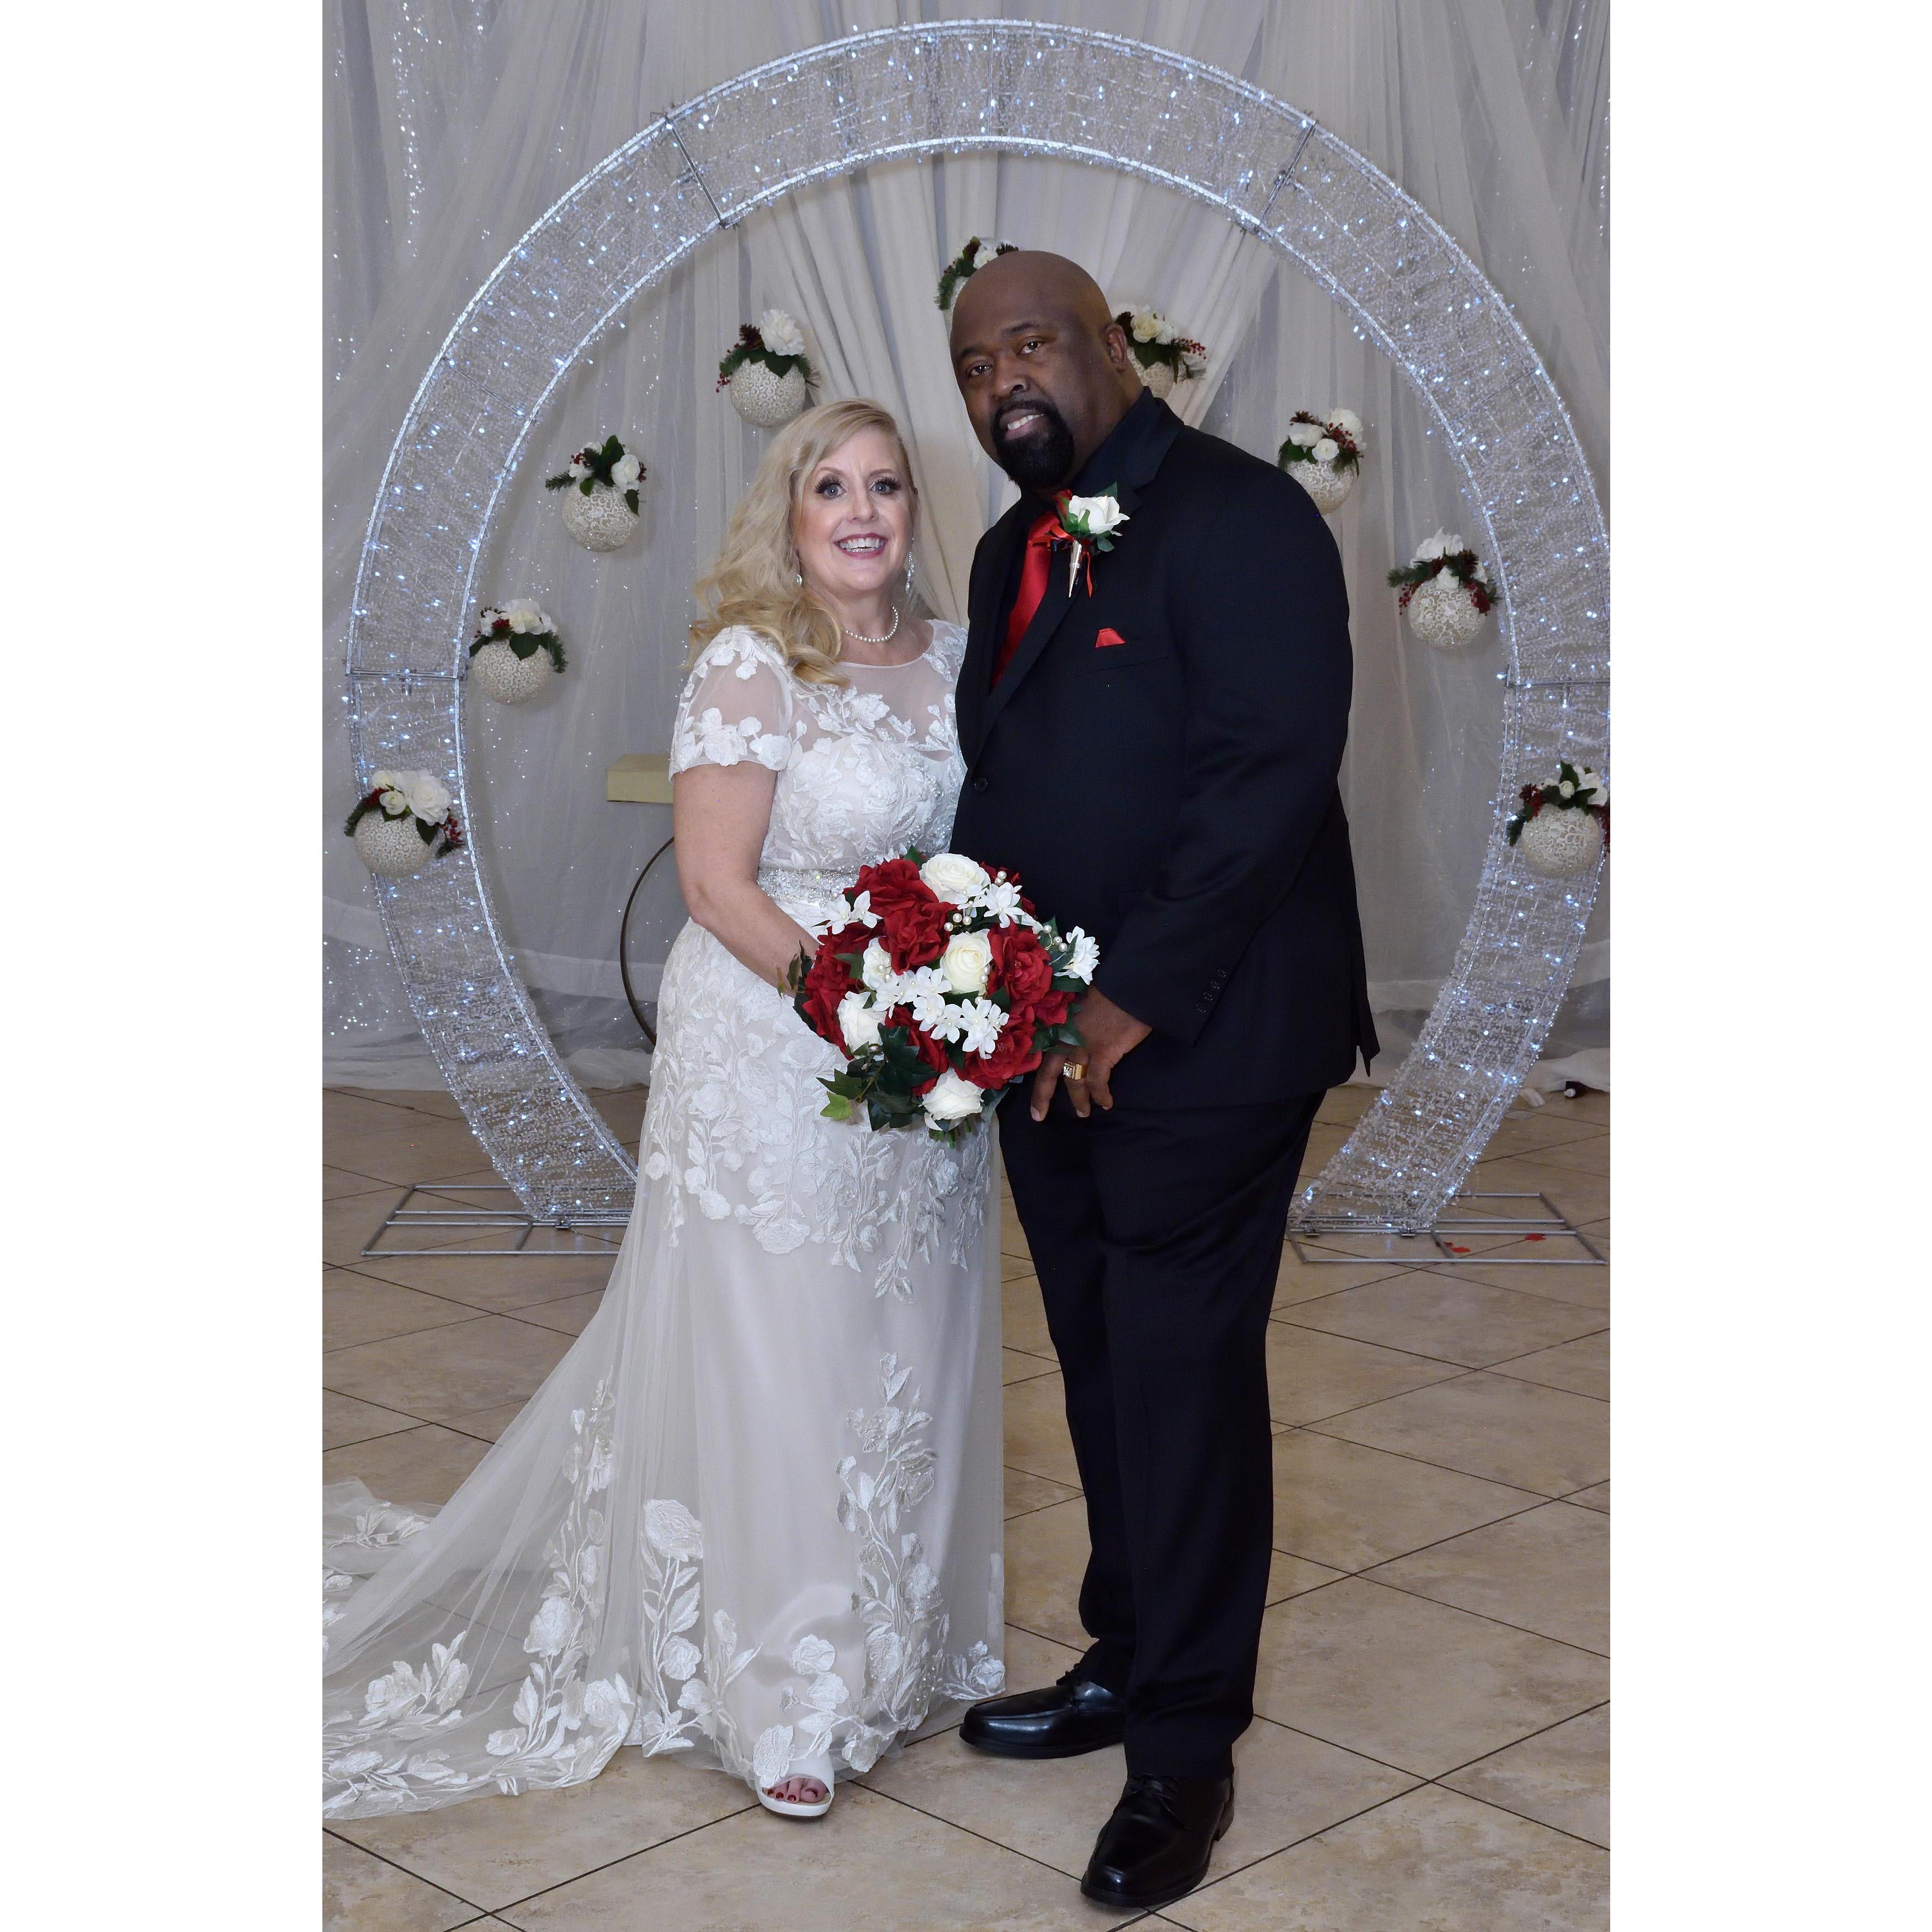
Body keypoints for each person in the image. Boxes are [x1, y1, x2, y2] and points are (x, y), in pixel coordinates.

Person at [323, 399, 1005, 1825]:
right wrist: (858, 1010)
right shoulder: (753, 663)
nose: (863, 510)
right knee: (783, 1345)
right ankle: (784, 1688)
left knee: (904, 1334)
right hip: (774, 1041)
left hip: (918, 1052)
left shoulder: (951, 659)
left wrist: (962, 1000)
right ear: (790, 514)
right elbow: (714, 883)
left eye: (884, 484)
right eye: (832, 486)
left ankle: (898, 1640)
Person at [946, 251, 1378, 1911]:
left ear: (1111, 348)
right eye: (975, 366)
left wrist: (1122, 1000)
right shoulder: (1010, 547)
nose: (1004, 383)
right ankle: (1127, 1655)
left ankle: (1185, 1750)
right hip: (1044, 1043)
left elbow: (1267, 776)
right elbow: (1013, 782)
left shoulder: (1243, 516)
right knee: (1101, 1354)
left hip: (1206, 1035)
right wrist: (985, 988)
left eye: (1030, 345)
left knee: (1181, 1376)